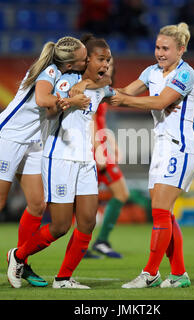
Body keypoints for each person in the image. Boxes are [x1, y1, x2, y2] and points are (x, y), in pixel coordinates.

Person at [0, 36, 98, 289]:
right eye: (84, 57)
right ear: (71, 62)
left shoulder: (69, 74)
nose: (87, 60)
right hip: (8, 138)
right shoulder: (49, 70)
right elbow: (42, 100)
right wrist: (72, 101)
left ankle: (21, 260)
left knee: (37, 204)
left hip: (34, 142)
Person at [6, 35, 114, 289]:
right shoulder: (65, 80)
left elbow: (110, 83)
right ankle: (18, 255)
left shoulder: (95, 84)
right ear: (85, 60)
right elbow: (50, 109)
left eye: (108, 60)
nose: (107, 65)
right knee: (60, 225)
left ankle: (64, 278)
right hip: (60, 157)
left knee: (87, 222)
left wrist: (90, 82)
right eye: (102, 59)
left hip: (85, 160)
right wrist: (69, 99)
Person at [110, 22, 194, 289]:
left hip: (180, 147)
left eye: (166, 48)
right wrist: (98, 91)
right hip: (161, 147)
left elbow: (161, 102)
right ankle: (180, 274)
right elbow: (125, 91)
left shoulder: (186, 74)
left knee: (161, 211)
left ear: (181, 49)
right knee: (165, 214)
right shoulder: (151, 72)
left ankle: (149, 273)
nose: (160, 53)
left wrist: (123, 101)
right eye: (158, 47)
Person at [85, 57, 130, 259]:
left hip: (98, 146)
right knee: (117, 194)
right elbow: (91, 120)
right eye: (105, 65)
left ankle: (91, 243)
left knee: (91, 200)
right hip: (94, 150)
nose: (108, 69)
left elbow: (99, 122)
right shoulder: (93, 88)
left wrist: (111, 142)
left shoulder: (101, 89)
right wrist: (98, 150)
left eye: (111, 65)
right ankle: (96, 242)